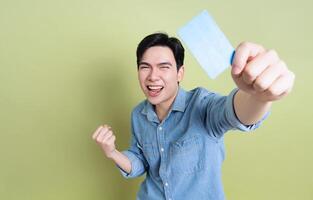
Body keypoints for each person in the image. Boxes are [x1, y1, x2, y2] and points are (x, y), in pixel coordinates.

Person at [91, 33, 295, 200]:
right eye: (145, 67)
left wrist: (258, 97)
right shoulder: (138, 114)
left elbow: (233, 113)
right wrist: (112, 152)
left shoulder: (202, 104)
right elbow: (140, 164)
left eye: (164, 67)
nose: (152, 76)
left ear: (180, 73)